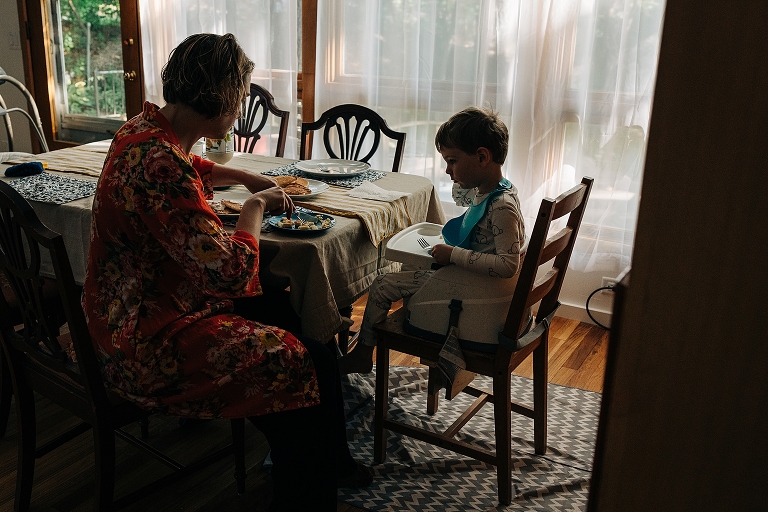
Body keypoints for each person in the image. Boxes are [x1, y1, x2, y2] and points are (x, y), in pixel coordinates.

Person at [81, 33, 370, 511]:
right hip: (146, 343)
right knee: (306, 360)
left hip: (122, 312)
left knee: (280, 307)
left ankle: (313, 452)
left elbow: (182, 165)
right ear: (216, 97)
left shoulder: (140, 129)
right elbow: (231, 274)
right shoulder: (161, 163)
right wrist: (256, 205)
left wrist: (243, 175)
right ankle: (308, 481)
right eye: (238, 97)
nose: (239, 110)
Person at [338, 106, 526, 375]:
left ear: (482, 156)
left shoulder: (502, 207)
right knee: (408, 267)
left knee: (381, 285)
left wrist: (452, 255)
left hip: (471, 291)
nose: (448, 170)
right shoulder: (493, 191)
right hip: (467, 279)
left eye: (452, 161)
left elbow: (508, 265)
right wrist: (463, 179)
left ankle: (364, 353)